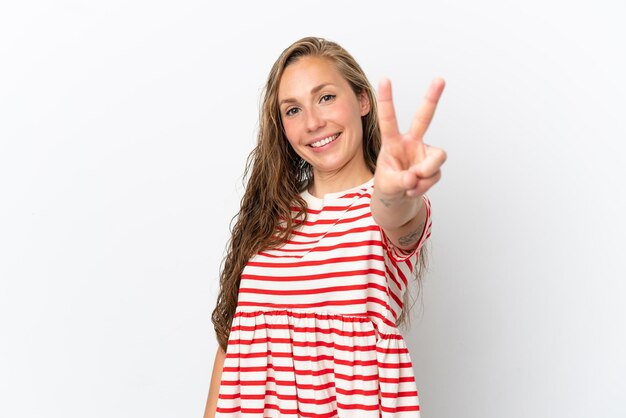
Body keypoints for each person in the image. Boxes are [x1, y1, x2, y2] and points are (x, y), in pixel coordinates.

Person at [203, 36, 447, 418]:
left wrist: (394, 191)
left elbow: (401, 216)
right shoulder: (270, 215)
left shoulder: (381, 207)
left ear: (363, 101)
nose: (313, 122)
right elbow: (234, 342)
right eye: (293, 110)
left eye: (326, 97)